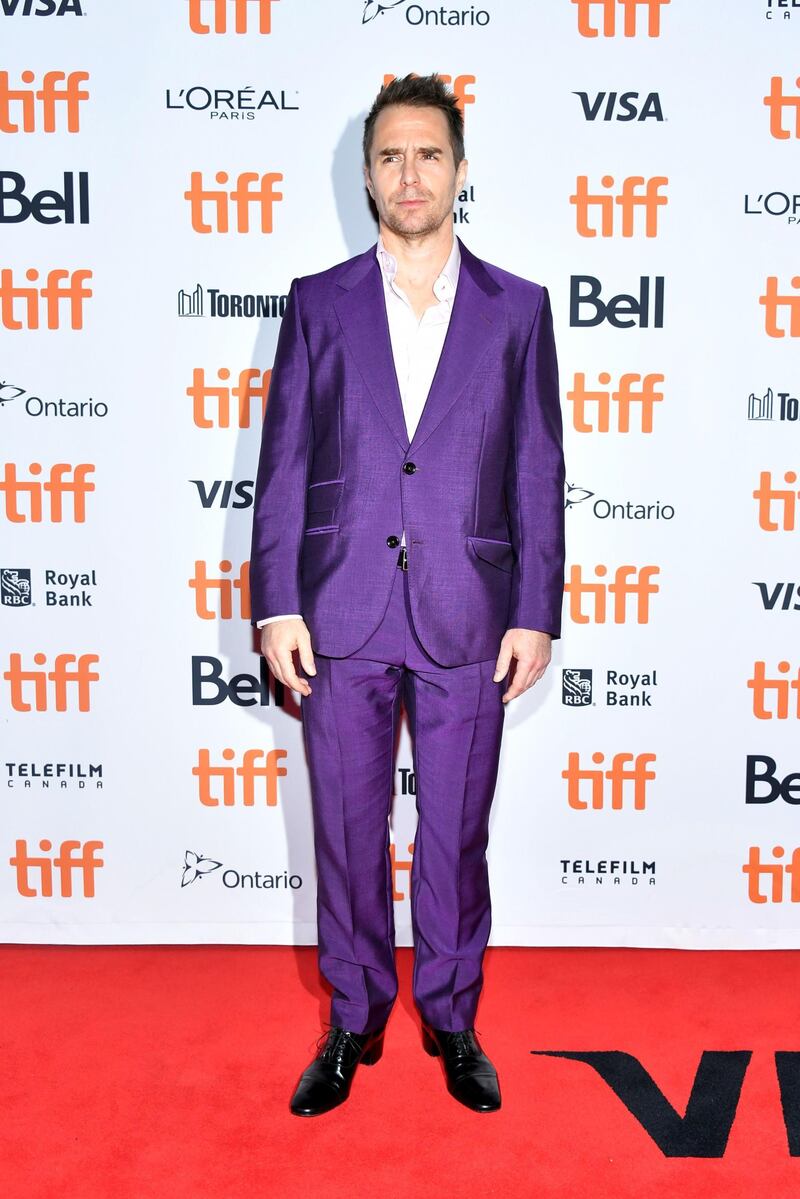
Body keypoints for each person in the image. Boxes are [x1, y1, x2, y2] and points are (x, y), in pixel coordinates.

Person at [249, 72, 566, 1117]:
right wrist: (275, 600)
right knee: (344, 827)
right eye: (389, 155)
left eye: (428, 153)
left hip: (468, 607)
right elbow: (285, 459)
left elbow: (532, 466)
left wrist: (533, 608)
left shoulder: (516, 308)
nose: (409, 172)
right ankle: (352, 1016)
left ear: (459, 170)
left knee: (453, 831)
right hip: (337, 605)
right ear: (368, 174)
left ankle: (453, 1011)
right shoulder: (318, 301)